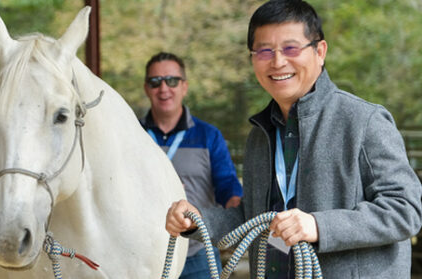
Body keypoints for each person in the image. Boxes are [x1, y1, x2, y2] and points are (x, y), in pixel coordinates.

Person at [164, 1, 422, 278]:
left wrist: (319, 226)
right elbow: (253, 220)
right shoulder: (259, 135)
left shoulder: (363, 120)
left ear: (320, 51)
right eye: (264, 50)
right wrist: (197, 221)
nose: (277, 62)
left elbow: (405, 209)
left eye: (291, 48)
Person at [140, 52, 243, 279]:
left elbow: (226, 182)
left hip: (197, 255)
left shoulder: (209, 136)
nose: (164, 88)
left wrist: (237, 207)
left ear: (184, 86)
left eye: (172, 80)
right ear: (147, 88)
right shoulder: (133, 135)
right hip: (142, 255)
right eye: (155, 82)